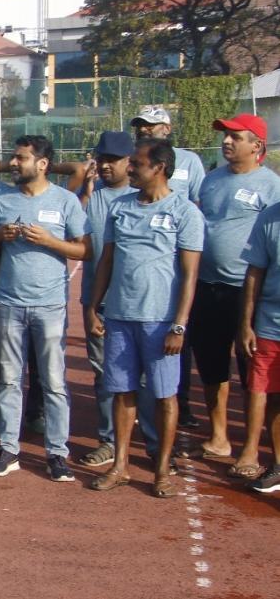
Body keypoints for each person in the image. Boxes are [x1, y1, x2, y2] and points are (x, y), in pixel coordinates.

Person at [88, 139, 204, 497]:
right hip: (120, 317)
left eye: (137, 163)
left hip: (161, 322)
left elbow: (189, 275)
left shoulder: (185, 213)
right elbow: (105, 261)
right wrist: (94, 307)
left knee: (164, 395)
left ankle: (161, 469)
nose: (130, 168)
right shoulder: (120, 207)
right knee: (122, 392)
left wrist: (179, 325)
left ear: (159, 168)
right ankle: (120, 466)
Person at [0, 135, 90, 482]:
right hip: (10, 304)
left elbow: (83, 250)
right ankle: (8, 448)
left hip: (50, 305)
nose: (13, 163)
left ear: (42, 164)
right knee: (9, 380)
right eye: (13, 157)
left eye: (20, 158)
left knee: (54, 382)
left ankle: (57, 453)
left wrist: (50, 241)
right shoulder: (1, 200)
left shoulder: (65, 200)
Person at [190, 115, 280, 461]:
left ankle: (253, 445)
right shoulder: (211, 180)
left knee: (253, 374)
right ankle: (219, 436)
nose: (226, 142)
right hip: (207, 287)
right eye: (226, 136)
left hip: (247, 293)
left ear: (257, 145)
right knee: (212, 367)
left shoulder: (271, 185)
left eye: (235, 136)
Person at [74, 132, 148, 470]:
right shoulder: (89, 196)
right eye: (101, 158)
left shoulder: (142, 195)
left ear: (129, 161)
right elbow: (72, 235)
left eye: (113, 160)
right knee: (106, 376)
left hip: (142, 304)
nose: (104, 165)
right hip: (99, 303)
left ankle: (152, 441)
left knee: (145, 378)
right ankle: (107, 441)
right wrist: (85, 195)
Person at [131, 104, 206, 428]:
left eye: (151, 125)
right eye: (140, 126)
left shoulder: (190, 161)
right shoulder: (132, 163)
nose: (144, 130)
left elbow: (199, 204)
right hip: (136, 281)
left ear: (168, 128)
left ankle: (182, 406)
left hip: (175, 261)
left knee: (176, 346)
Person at [236, 195, 280, 492]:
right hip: (270, 325)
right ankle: (278, 464)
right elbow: (255, 272)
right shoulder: (270, 217)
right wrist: (246, 323)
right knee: (271, 394)